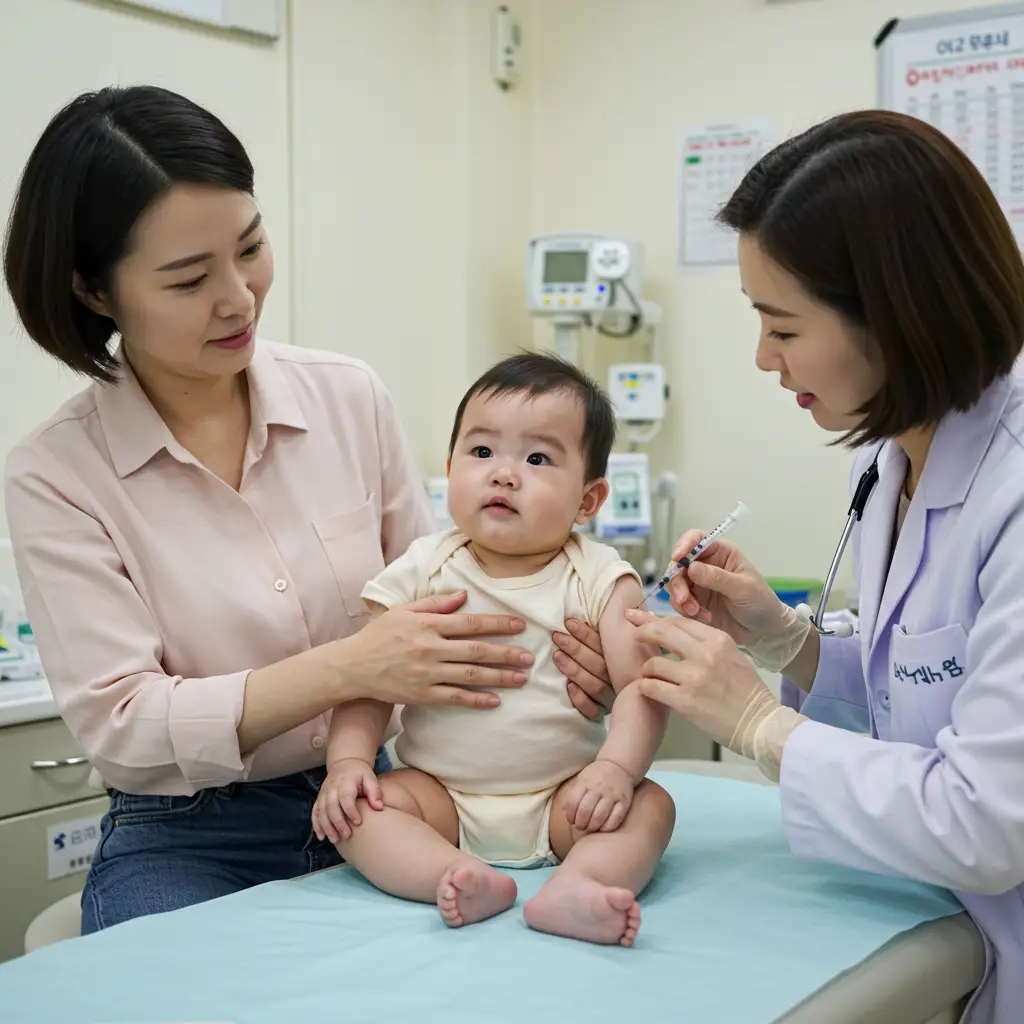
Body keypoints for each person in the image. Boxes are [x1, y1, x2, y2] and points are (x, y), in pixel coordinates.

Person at [1, 85, 612, 934]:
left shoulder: (348, 397)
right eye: (188, 279)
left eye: (251, 248)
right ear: (95, 292)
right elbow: (122, 726)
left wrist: (578, 656)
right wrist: (351, 667)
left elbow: (453, 591)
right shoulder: (57, 473)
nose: (240, 297)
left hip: (394, 796)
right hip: (189, 833)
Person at [627, 110, 1024, 1023]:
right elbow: (929, 682)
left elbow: (989, 819)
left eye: (782, 325)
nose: (762, 357)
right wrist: (789, 643)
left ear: (896, 315)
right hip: (942, 922)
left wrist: (761, 724)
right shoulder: (887, 458)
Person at [312, 354, 675, 947]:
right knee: (360, 815)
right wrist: (348, 764)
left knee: (651, 805)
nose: (504, 475)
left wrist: (615, 769)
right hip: (439, 796)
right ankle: (452, 874)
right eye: (482, 454)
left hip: (566, 797)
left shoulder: (600, 575)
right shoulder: (423, 569)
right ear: (451, 467)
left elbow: (639, 686)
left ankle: (579, 884)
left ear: (589, 500)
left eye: (537, 459)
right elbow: (365, 680)